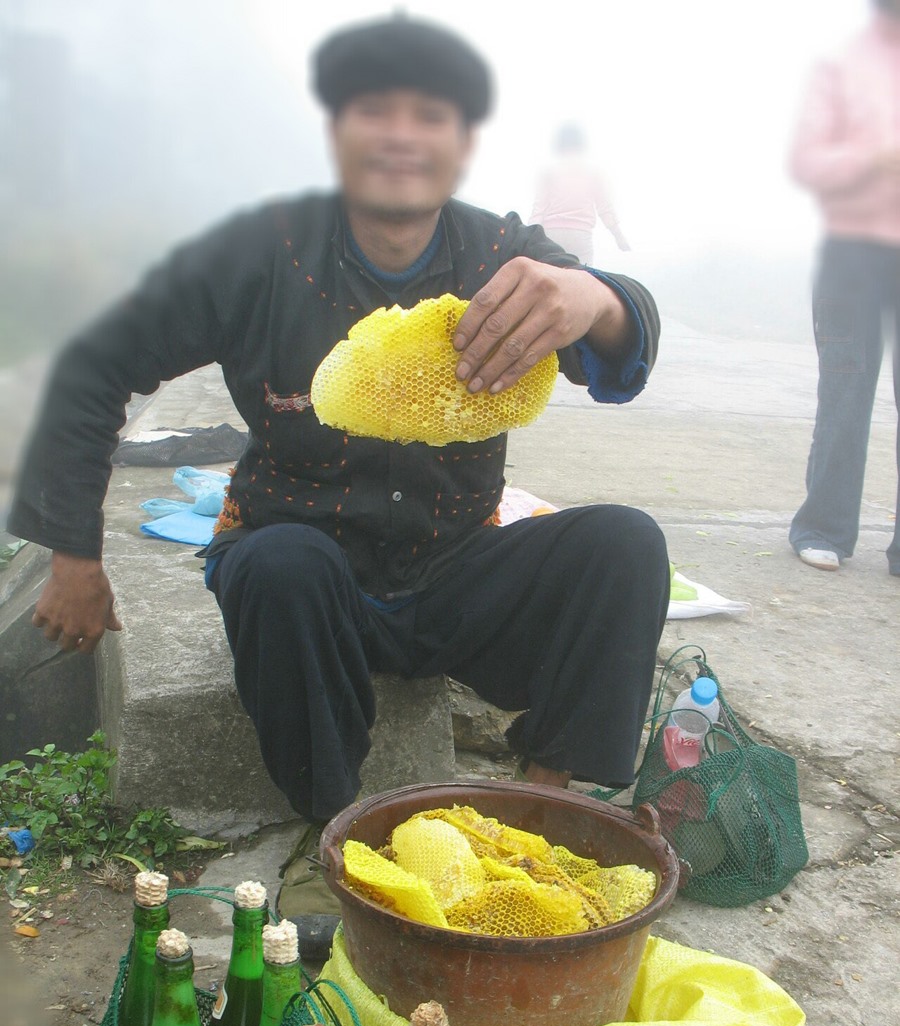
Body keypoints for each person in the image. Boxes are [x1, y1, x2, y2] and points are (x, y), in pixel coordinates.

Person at [8, 15, 668, 921]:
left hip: (452, 568)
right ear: (337, 132)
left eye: (430, 115)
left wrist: (596, 295)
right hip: (304, 578)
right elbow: (97, 367)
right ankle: (334, 834)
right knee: (284, 564)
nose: (401, 135)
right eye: (374, 111)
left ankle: (542, 804)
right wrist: (74, 555)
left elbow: (626, 348)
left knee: (623, 544)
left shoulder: (504, 256)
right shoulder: (258, 253)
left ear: (464, 142)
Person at [788, 0, 900, 575]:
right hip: (852, 255)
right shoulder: (842, 67)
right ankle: (824, 527)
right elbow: (806, 160)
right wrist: (870, 156)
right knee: (845, 396)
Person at [530, 123, 631, 265]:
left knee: (551, 282)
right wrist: (619, 237)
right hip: (580, 235)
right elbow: (605, 208)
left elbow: (538, 209)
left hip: (550, 234)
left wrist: (530, 237)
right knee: (582, 281)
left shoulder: (548, 172)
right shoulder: (593, 172)